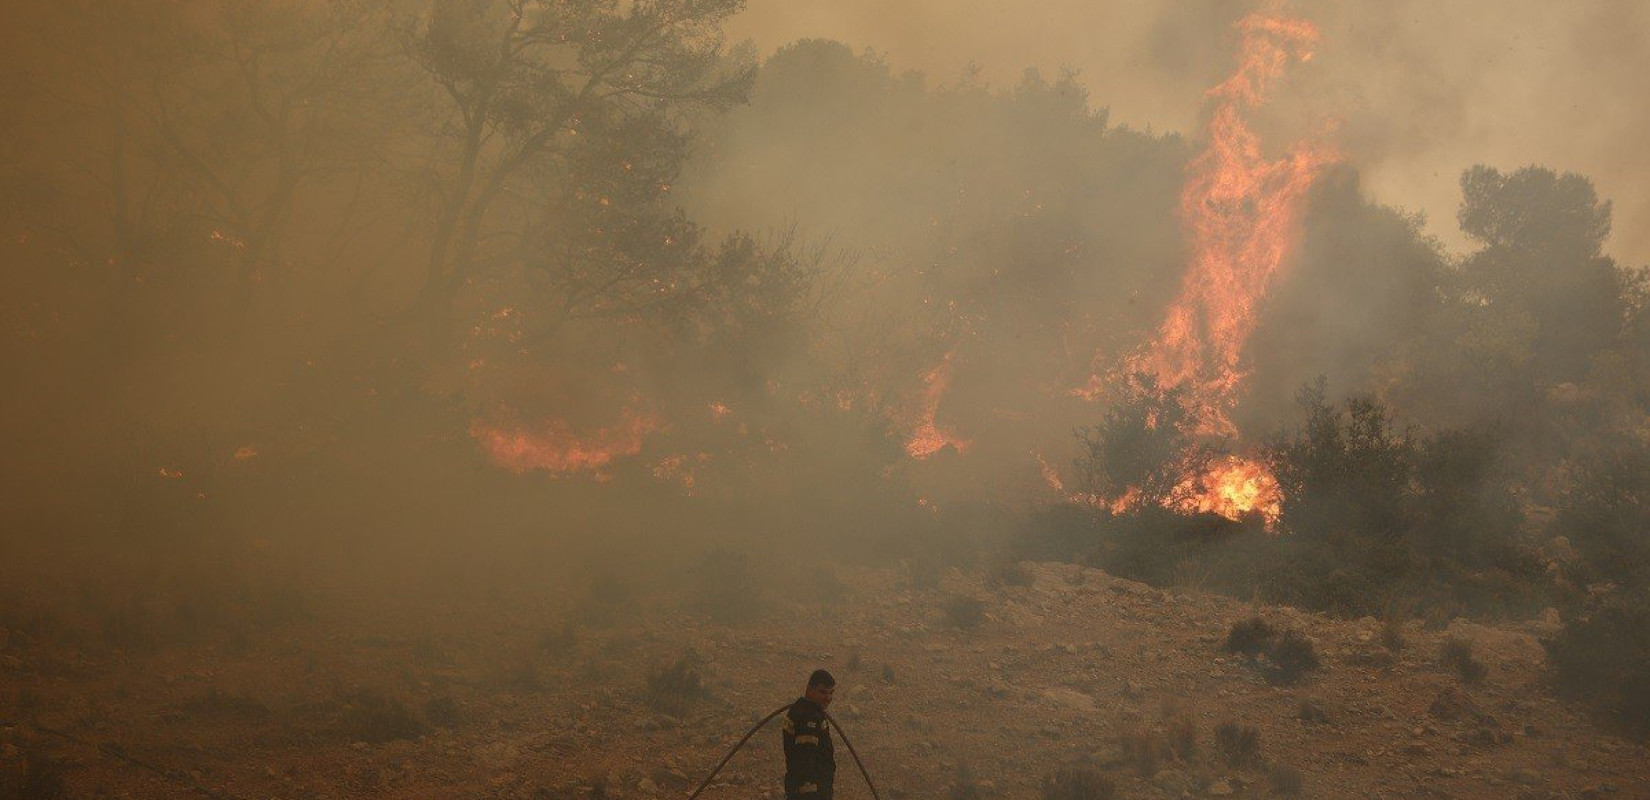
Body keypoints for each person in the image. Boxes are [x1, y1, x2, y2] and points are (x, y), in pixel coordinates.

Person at [782, 670, 837, 800]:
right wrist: (810, 792)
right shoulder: (808, 718)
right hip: (810, 793)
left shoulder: (808, 711)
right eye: (822, 692)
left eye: (831, 692)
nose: (828, 698)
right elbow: (805, 759)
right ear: (810, 690)